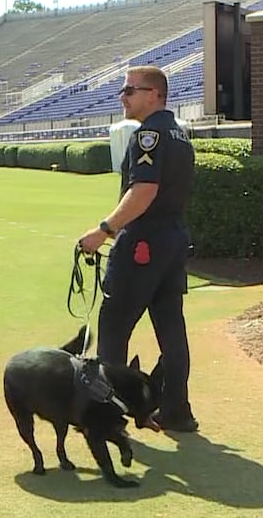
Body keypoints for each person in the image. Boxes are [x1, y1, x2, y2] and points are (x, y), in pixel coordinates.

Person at [77, 65, 199, 433]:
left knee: (113, 329)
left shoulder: (150, 136)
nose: (123, 97)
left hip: (143, 241)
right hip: (173, 240)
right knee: (171, 329)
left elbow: (143, 192)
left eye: (130, 90)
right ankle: (177, 411)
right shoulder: (179, 135)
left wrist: (104, 229)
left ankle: (105, 412)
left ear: (154, 95)